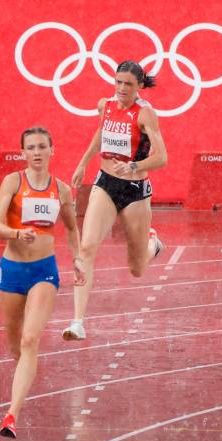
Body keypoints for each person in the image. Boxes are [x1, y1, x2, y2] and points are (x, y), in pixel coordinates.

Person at [63, 60, 168, 341]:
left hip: (134, 189)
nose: (121, 88)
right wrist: (83, 163)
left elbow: (161, 157)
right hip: (105, 183)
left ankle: (152, 245)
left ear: (139, 87)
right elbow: (100, 134)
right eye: (118, 82)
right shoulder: (105, 106)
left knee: (137, 269)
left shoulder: (145, 115)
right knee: (86, 247)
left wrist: (133, 166)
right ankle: (77, 322)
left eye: (128, 84)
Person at [0, 126, 84, 438]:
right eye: (30, 147)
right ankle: (25, 375)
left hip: (44, 271)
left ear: (52, 150)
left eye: (42, 146)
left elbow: (71, 229)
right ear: (23, 153)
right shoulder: (13, 182)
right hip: (12, 270)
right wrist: (18, 233)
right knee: (16, 345)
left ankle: (11, 415)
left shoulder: (62, 190)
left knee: (31, 340)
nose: (37, 152)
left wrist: (78, 258)